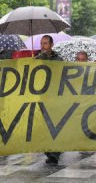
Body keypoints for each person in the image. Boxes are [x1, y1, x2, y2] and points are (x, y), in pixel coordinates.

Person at [34, 34, 63, 164]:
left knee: (55, 125)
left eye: (45, 43)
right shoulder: (37, 59)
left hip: (56, 97)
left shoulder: (59, 59)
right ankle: (47, 150)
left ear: (51, 44)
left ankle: (55, 153)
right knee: (43, 126)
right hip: (42, 97)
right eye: (41, 43)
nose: (43, 46)